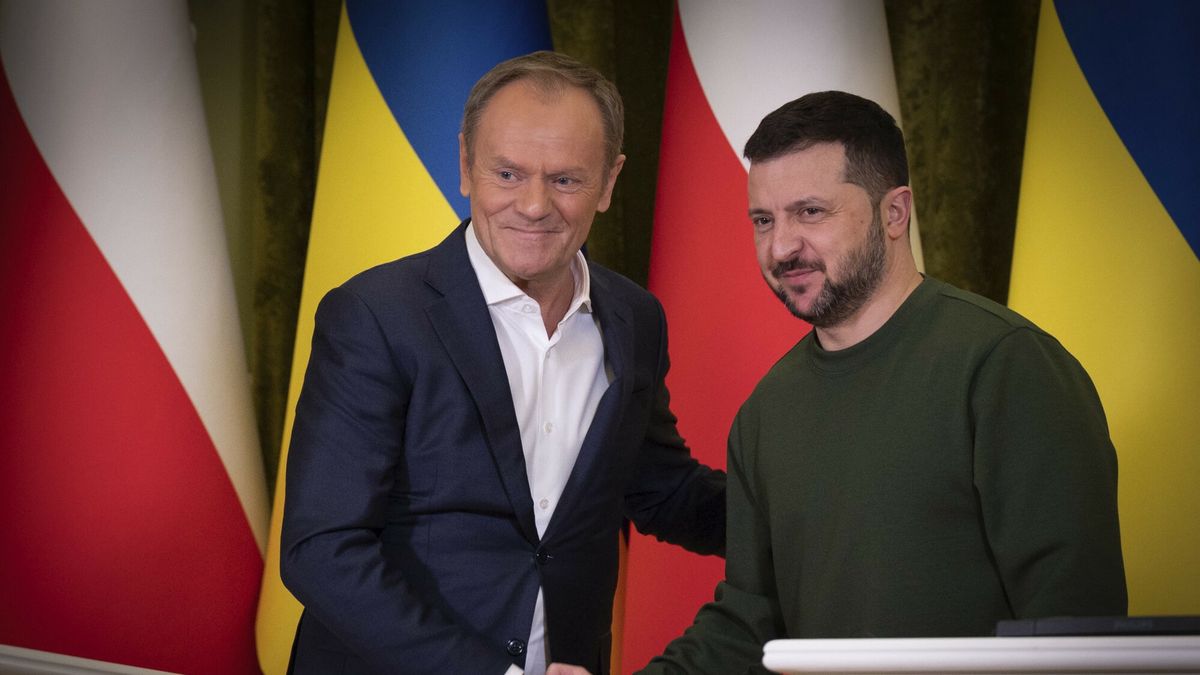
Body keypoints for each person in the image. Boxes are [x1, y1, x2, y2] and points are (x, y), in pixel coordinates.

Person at [640, 91, 1126, 674]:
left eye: (810, 212)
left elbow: (1077, 632)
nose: (781, 246)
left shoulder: (1005, 367)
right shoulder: (765, 413)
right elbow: (750, 625)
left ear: (895, 213)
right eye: (764, 220)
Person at [280, 51, 725, 675]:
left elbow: (662, 490)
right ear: (465, 165)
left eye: (566, 179)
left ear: (611, 180)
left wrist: (814, 518)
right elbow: (320, 548)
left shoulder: (635, 317)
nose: (535, 205)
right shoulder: (375, 315)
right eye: (509, 174)